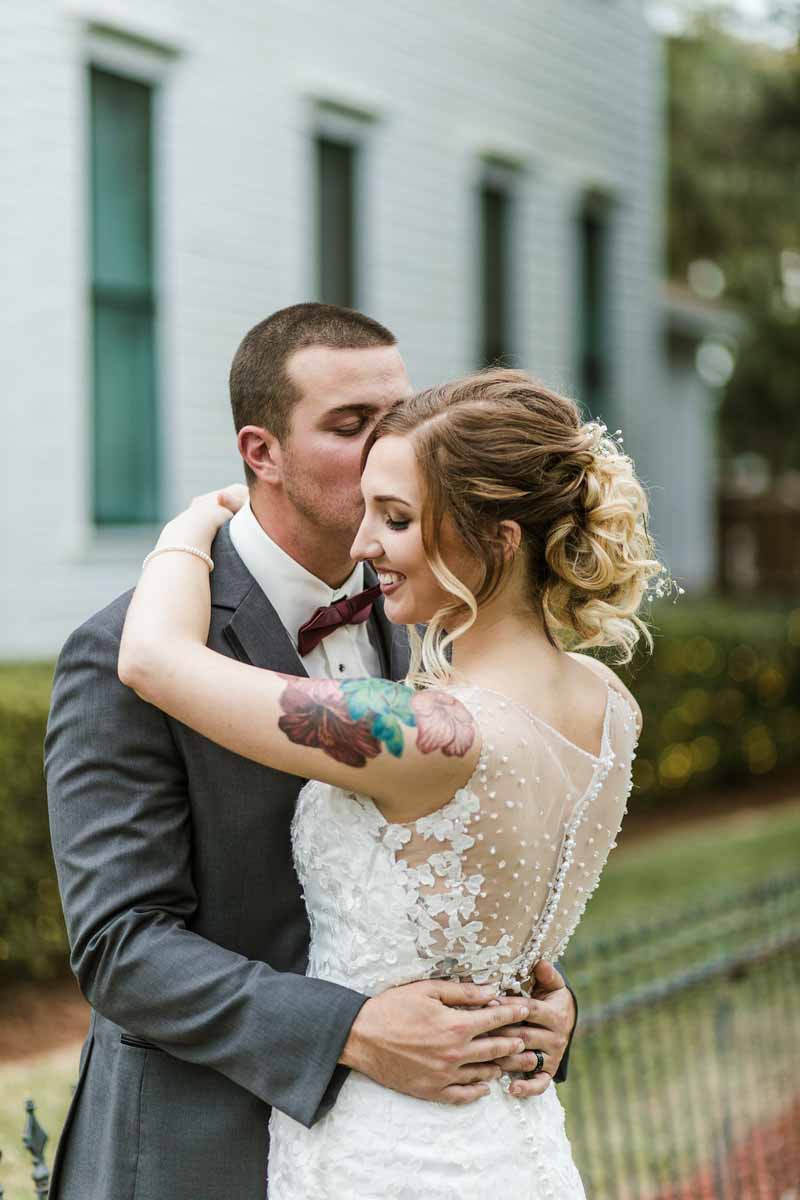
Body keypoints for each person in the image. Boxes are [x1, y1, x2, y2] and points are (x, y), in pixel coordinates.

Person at [44, 304, 577, 1200]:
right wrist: (351, 1030)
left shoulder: (441, 625)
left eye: (399, 418)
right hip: (198, 1150)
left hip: (417, 1154)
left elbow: (477, 857)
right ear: (261, 453)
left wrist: (537, 1008)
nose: (388, 449)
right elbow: (118, 944)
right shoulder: (122, 651)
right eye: (350, 426)